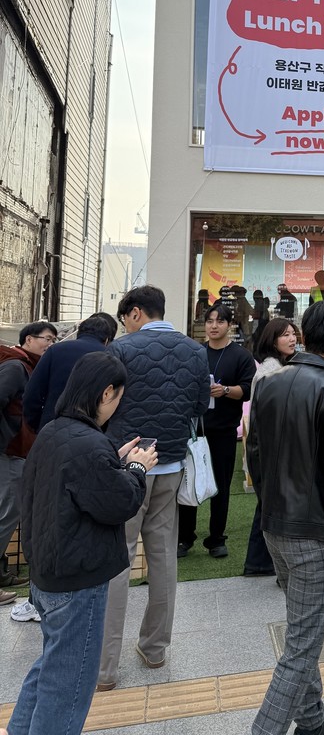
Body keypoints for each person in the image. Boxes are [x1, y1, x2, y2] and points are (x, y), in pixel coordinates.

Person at [7, 352, 157, 735]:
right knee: (69, 686)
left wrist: (113, 461)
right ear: (107, 393)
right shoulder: (88, 444)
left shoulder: (55, 431)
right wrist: (136, 468)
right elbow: (119, 503)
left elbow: (82, 483)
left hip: (48, 573)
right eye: (119, 396)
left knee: (50, 667)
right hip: (77, 582)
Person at [245, 301, 324, 735]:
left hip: (275, 525)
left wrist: (269, 506)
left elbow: (254, 455)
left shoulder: (269, 382)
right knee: (300, 647)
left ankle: (312, 720)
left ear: (303, 335)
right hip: (313, 535)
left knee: (303, 629)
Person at [97, 285, 210, 691]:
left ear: (136, 313)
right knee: (162, 556)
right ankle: (155, 648)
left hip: (128, 464)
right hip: (172, 463)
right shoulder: (195, 351)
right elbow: (200, 406)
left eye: (126, 317)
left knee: (118, 558)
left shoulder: (121, 350)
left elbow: (103, 404)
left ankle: (105, 668)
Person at [177, 302, 256, 559]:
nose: (214, 326)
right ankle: (184, 537)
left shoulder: (241, 356)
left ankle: (216, 539)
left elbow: (247, 390)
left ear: (229, 325)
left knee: (220, 485)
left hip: (223, 430)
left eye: (220, 321)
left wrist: (224, 390)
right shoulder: (195, 352)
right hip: (194, 429)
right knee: (189, 481)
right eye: (210, 321)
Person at [0, 321, 58, 608]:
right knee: (7, 513)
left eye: (53, 340)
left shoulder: (28, 366)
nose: (50, 344)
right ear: (28, 339)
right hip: (10, 451)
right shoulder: (16, 366)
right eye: (46, 338)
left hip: (16, 450)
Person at [243, 318, 298, 577]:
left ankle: (259, 563)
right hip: (269, 450)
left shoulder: (281, 366)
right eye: (285, 335)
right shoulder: (270, 371)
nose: (292, 338)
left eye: (293, 333)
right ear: (272, 340)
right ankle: (260, 563)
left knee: (267, 506)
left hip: (269, 448)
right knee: (269, 506)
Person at [24, 314, 117, 433]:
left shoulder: (55, 350)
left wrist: (36, 423)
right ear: (107, 340)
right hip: (91, 431)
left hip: (51, 427)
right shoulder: (110, 357)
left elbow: (32, 393)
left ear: (79, 333)